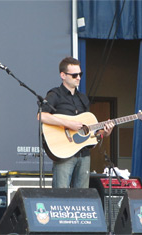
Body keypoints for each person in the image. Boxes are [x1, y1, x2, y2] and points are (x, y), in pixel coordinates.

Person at [40, 56, 115, 188]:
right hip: (64, 153)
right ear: (63, 75)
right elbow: (41, 116)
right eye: (74, 75)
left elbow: (92, 132)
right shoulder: (55, 94)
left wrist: (105, 132)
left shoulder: (83, 98)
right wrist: (68, 124)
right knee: (61, 194)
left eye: (80, 74)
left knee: (82, 197)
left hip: (84, 154)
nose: (79, 78)